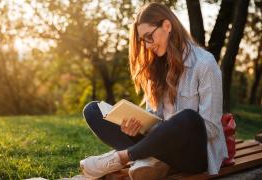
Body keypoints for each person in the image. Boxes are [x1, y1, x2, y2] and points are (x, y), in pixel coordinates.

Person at [80, 2, 228, 180]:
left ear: (167, 26)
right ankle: (150, 160)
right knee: (93, 110)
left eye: (149, 36)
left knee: (188, 118)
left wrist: (166, 132)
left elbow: (211, 128)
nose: (147, 45)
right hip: (158, 147)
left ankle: (122, 158)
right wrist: (137, 126)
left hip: (193, 155)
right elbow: (153, 117)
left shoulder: (205, 64)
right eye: (144, 40)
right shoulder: (155, 66)